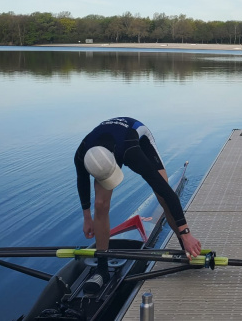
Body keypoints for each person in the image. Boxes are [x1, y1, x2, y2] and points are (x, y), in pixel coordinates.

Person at [74, 117, 202, 292]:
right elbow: (82, 182)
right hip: (104, 148)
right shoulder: (81, 155)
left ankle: (185, 245)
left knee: (162, 195)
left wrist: (186, 233)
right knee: (100, 204)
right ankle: (102, 268)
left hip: (137, 138)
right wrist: (87, 218)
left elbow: (167, 192)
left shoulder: (132, 152)